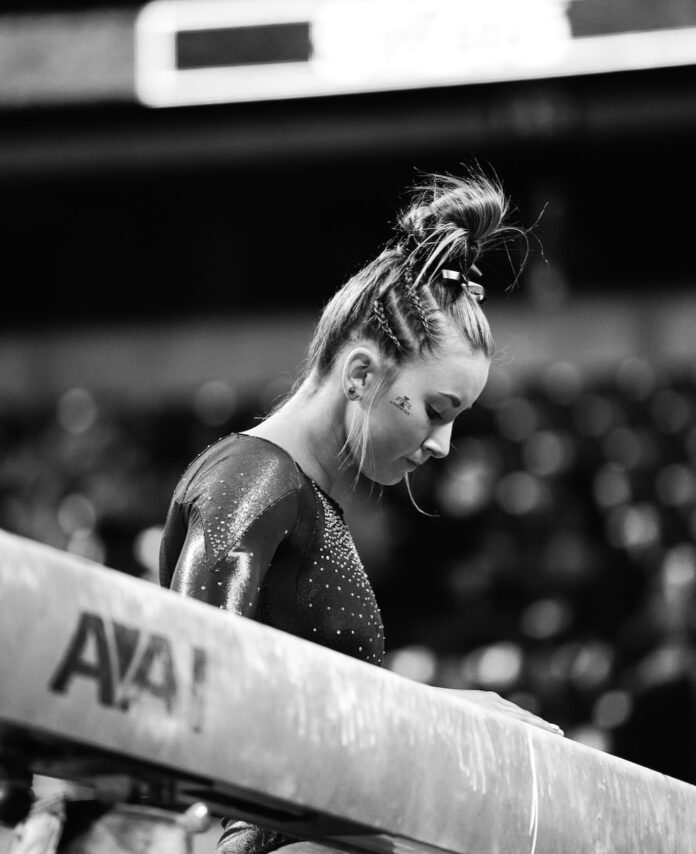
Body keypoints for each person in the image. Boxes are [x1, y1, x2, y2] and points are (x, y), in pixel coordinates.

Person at [159, 166, 562, 854]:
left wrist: (440, 718)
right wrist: (434, 716)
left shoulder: (301, 499)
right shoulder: (251, 480)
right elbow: (195, 681)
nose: (443, 445)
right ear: (362, 374)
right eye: (438, 411)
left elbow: (330, 712)